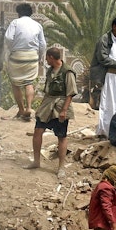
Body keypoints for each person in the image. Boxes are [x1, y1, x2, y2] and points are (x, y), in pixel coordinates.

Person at [24, 47, 76, 179]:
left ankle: (61, 168)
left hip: (60, 106)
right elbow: (47, 89)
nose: (46, 60)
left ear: (51, 57)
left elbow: (70, 93)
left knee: (61, 136)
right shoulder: (50, 71)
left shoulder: (67, 72)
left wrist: (64, 110)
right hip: (48, 105)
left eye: (47, 58)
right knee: (38, 131)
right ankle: (36, 162)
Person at [4, 3, 47, 120]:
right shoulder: (37, 25)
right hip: (32, 56)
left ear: (19, 13)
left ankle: (21, 110)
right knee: (29, 83)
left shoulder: (15, 23)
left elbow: (8, 38)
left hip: (17, 56)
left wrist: (12, 48)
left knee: (15, 83)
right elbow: (43, 44)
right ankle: (29, 108)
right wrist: (40, 57)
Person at [91, 17, 116, 138]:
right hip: (108, 76)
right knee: (108, 104)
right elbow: (102, 58)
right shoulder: (104, 40)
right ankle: (106, 130)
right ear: (114, 27)